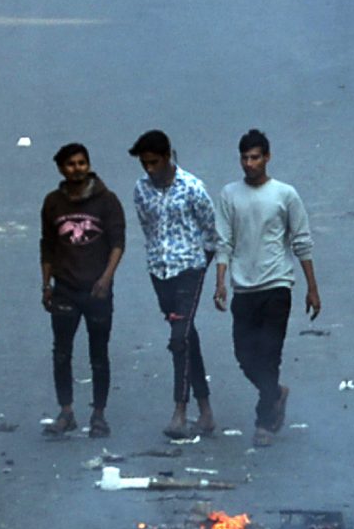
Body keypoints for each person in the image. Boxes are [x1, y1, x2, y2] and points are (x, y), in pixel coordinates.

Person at [212, 128, 319, 447]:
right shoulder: (229, 195)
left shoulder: (285, 195)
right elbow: (223, 241)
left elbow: (302, 241)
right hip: (243, 289)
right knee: (244, 354)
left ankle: (264, 421)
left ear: (267, 158)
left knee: (270, 354)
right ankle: (276, 394)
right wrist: (220, 281)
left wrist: (312, 288)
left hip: (277, 285)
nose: (249, 164)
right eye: (244, 158)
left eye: (255, 157)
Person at [129, 130, 223, 441]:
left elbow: (212, 232)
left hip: (190, 269)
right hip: (159, 270)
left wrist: (201, 267)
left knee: (179, 338)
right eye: (145, 164)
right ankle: (206, 410)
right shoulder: (141, 191)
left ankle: (180, 411)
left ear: (168, 157)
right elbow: (149, 228)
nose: (149, 169)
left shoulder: (193, 188)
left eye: (154, 162)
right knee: (186, 338)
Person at [38, 142, 126, 437]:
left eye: (81, 163)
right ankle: (66, 412)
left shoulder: (107, 201)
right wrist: (45, 283)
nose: (77, 168)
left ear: (88, 165)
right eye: (71, 164)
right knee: (62, 353)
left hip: (97, 292)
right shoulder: (52, 203)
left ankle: (98, 415)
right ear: (61, 169)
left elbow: (117, 243)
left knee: (98, 354)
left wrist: (106, 279)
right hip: (64, 289)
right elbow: (47, 246)